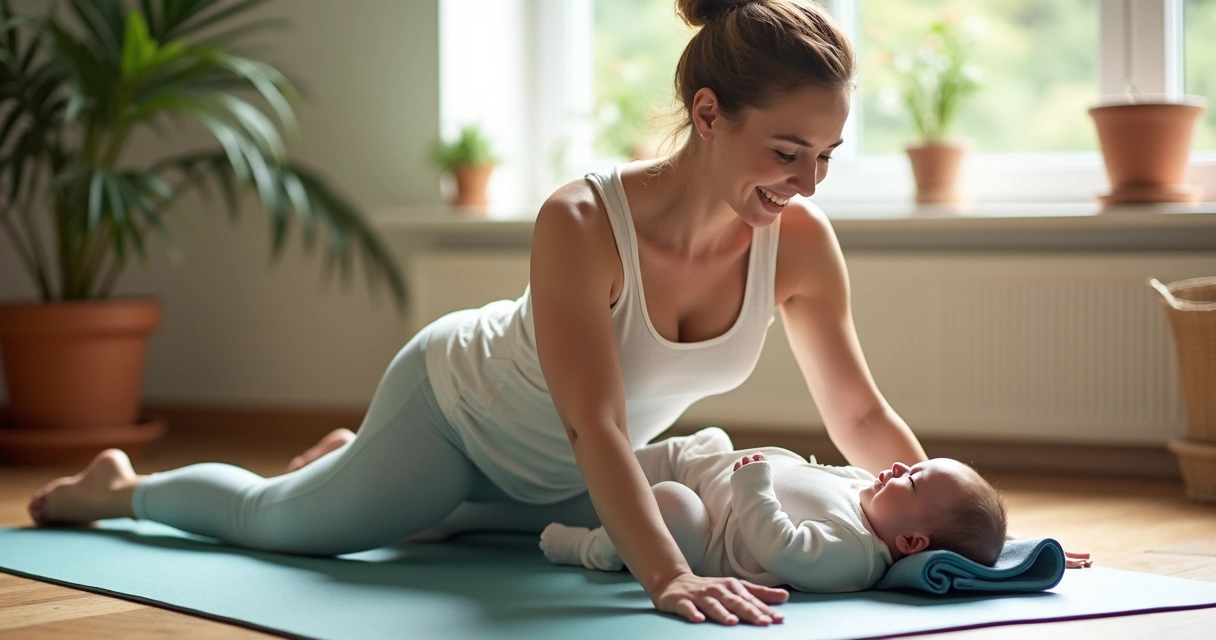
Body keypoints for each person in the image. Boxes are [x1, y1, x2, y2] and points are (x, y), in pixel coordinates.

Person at [25, 0, 1088, 627]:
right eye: (786, 152)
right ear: (709, 115)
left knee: (477, 530)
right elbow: (594, 420)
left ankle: (349, 462)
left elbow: (859, 419)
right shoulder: (582, 218)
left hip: (577, 472)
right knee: (287, 533)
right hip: (462, 415)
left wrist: (965, 536)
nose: (807, 183)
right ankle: (127, 489)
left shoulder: (798, 242)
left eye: (826, 157)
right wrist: (669, 575)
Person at [536, 427, 1007, 593]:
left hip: (705, 529)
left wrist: (754, 486)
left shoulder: (853, 554)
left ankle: (590, 547)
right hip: (709, 467)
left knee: (669, 505)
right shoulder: (869, 496)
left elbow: (780, 547)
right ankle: (549, 481)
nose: (901, 466)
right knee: (598, 469)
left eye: (912, 480)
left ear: (910, 543)